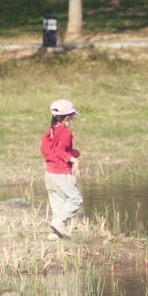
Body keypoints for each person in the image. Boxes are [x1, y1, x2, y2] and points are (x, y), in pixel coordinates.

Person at [40, 98, 82, 239]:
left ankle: (54, 234)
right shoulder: (65, 133)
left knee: (58, 202)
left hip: (50, 174)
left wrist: (73, 153)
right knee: (76, 200)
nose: (72, 121)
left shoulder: (51, 131)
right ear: (67, 118)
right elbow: (59, 150)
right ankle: (58, 222)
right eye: (72, 118)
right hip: (62, 174)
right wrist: (73, 159)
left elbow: (47, 149)